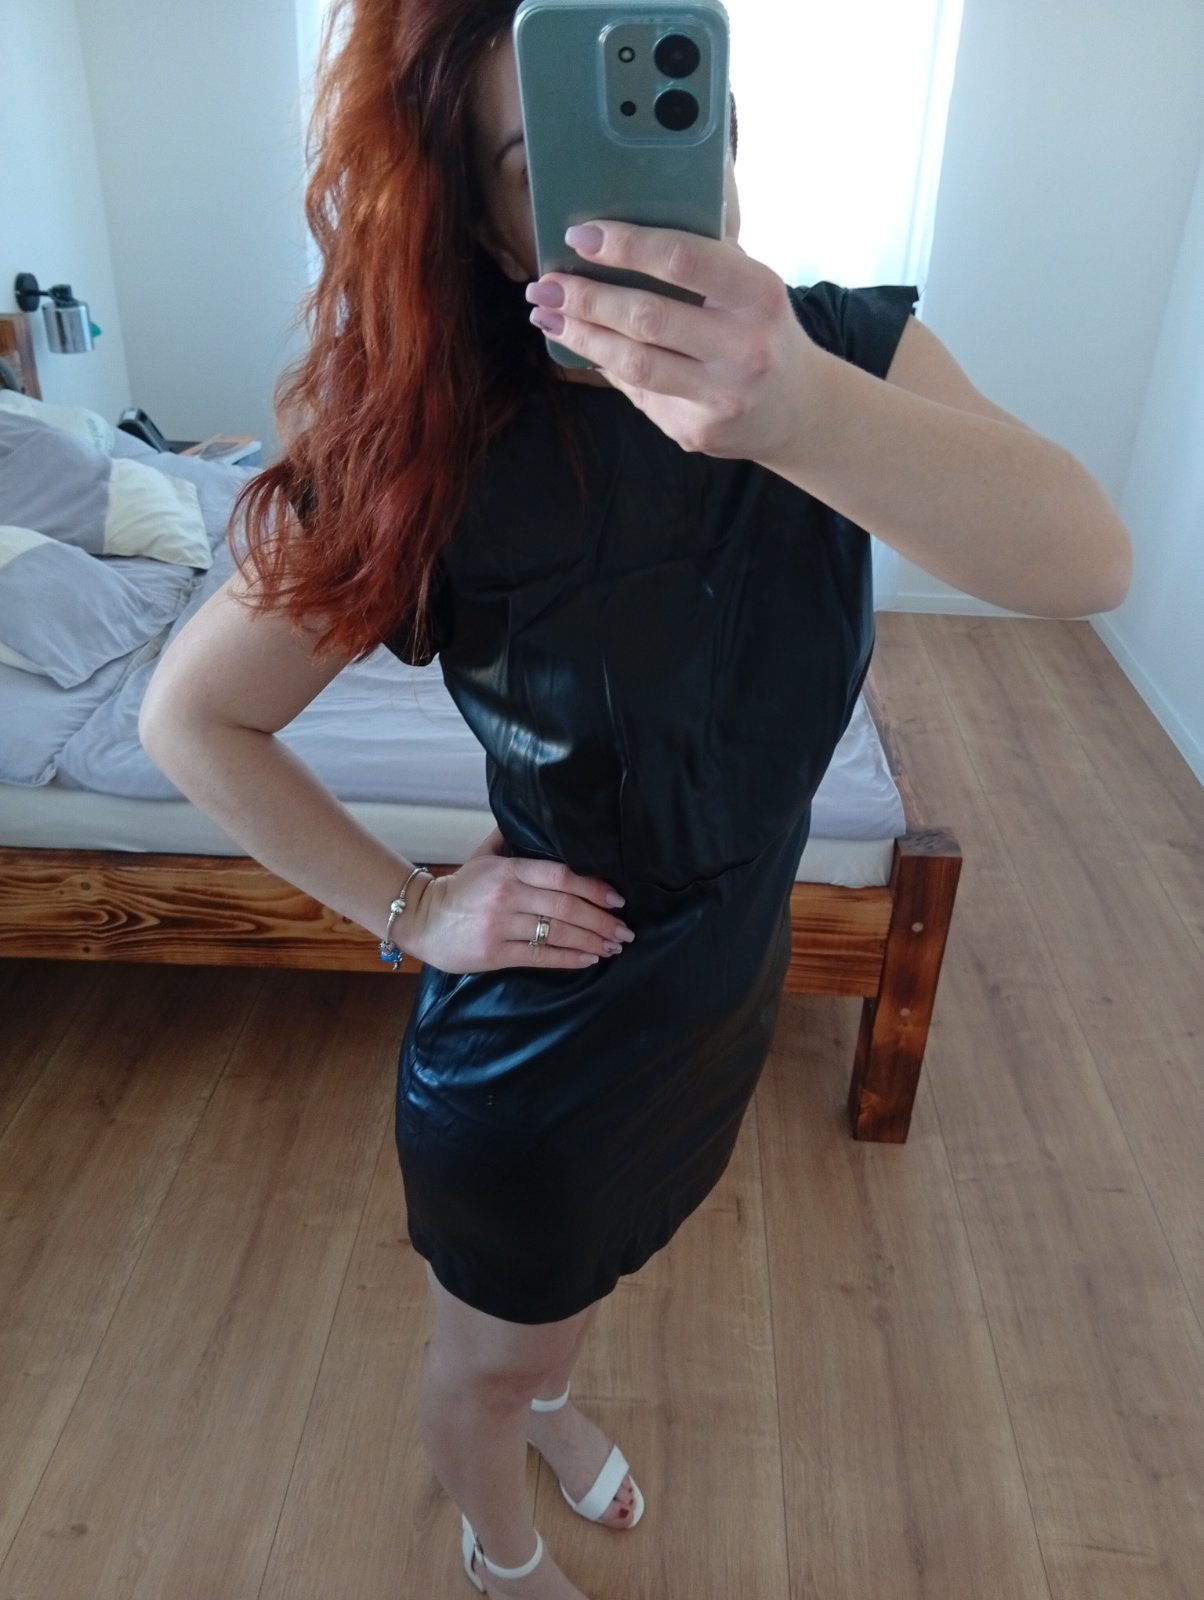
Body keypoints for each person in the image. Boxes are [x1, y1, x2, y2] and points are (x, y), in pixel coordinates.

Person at [138, 3, 1133, 1596]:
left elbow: (1087, 561)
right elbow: (193, 717)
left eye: (673, 119)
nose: (636, 194)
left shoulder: (846, 358)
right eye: (545, 161)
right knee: (485, 1355)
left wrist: (803, 410)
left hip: (723, 989)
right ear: (484, 225)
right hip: (539, 1056)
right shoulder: (439, 442)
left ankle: (548, 1396)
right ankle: (501, 1546)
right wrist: (411, 907)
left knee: (573, 1297)